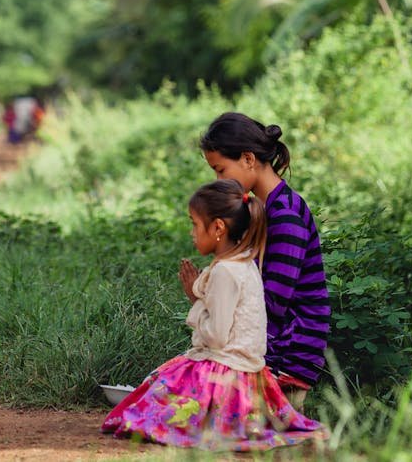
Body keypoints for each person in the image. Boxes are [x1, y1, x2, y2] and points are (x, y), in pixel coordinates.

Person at [101, 180, 327, 451]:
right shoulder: (244, 263)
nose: (192, 233)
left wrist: (196, 304)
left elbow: (217, 337)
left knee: (160, 386)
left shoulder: (225, 271)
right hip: (252, 375)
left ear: (218, 227)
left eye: (195, 224)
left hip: (225, 374)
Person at [199, 112, 330, 408]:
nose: (219, 180)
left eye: (221, 170)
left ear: (247, 159)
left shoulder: (285, 215)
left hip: (286, 355)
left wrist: (212, 301)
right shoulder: (265, 208)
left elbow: (271, 304)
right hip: (267, 344)